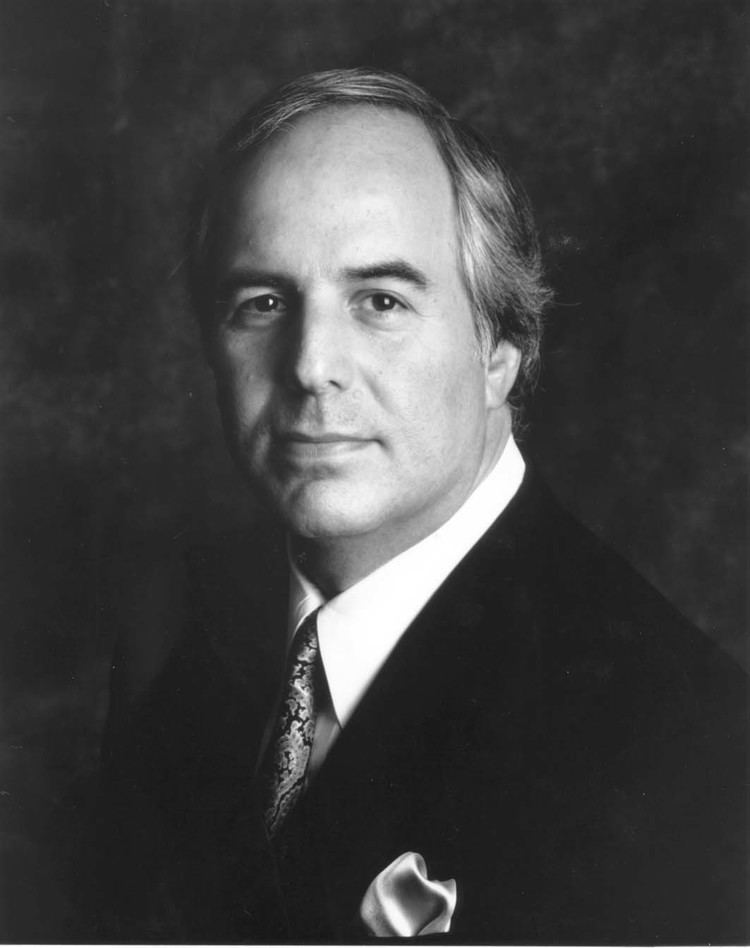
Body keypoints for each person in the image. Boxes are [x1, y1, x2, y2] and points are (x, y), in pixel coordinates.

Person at [93, 69, 747, 942]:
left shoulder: (689, 747)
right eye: (263, 302)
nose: (309, 365)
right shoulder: (168, 636)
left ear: (502, 350)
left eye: (381, 301)